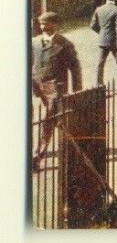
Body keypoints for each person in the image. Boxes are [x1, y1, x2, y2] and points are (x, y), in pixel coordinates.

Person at [31, 11, 82, 172]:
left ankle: (36, 157)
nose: (42, 27)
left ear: (54, 24)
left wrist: (76, 91)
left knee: (48, 121)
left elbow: (75, 69)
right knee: (41, 120)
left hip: (55, 88)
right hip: (36, 87)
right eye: (40, 23)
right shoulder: (33, 42)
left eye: (46, 23)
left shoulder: (65, 44)